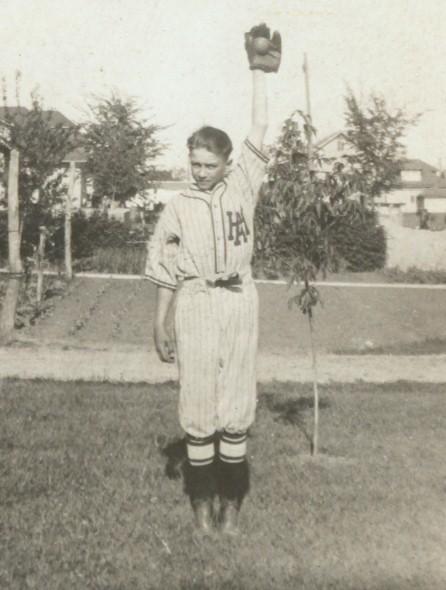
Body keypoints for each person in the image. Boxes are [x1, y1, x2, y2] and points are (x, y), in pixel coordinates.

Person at [145, 24, 281, 536]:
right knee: (198, 401)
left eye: (209, 164)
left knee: (236, 402)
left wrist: (258, 71)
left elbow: (260, 127)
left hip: (238, 298)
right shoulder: (177, 207)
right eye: (194, 163)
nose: (200, 171)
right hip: (197, 300)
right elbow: (165, 269)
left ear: (227, 163)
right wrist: (161, 323)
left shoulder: (244, 185)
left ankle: (231, 506)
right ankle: (202, 505)